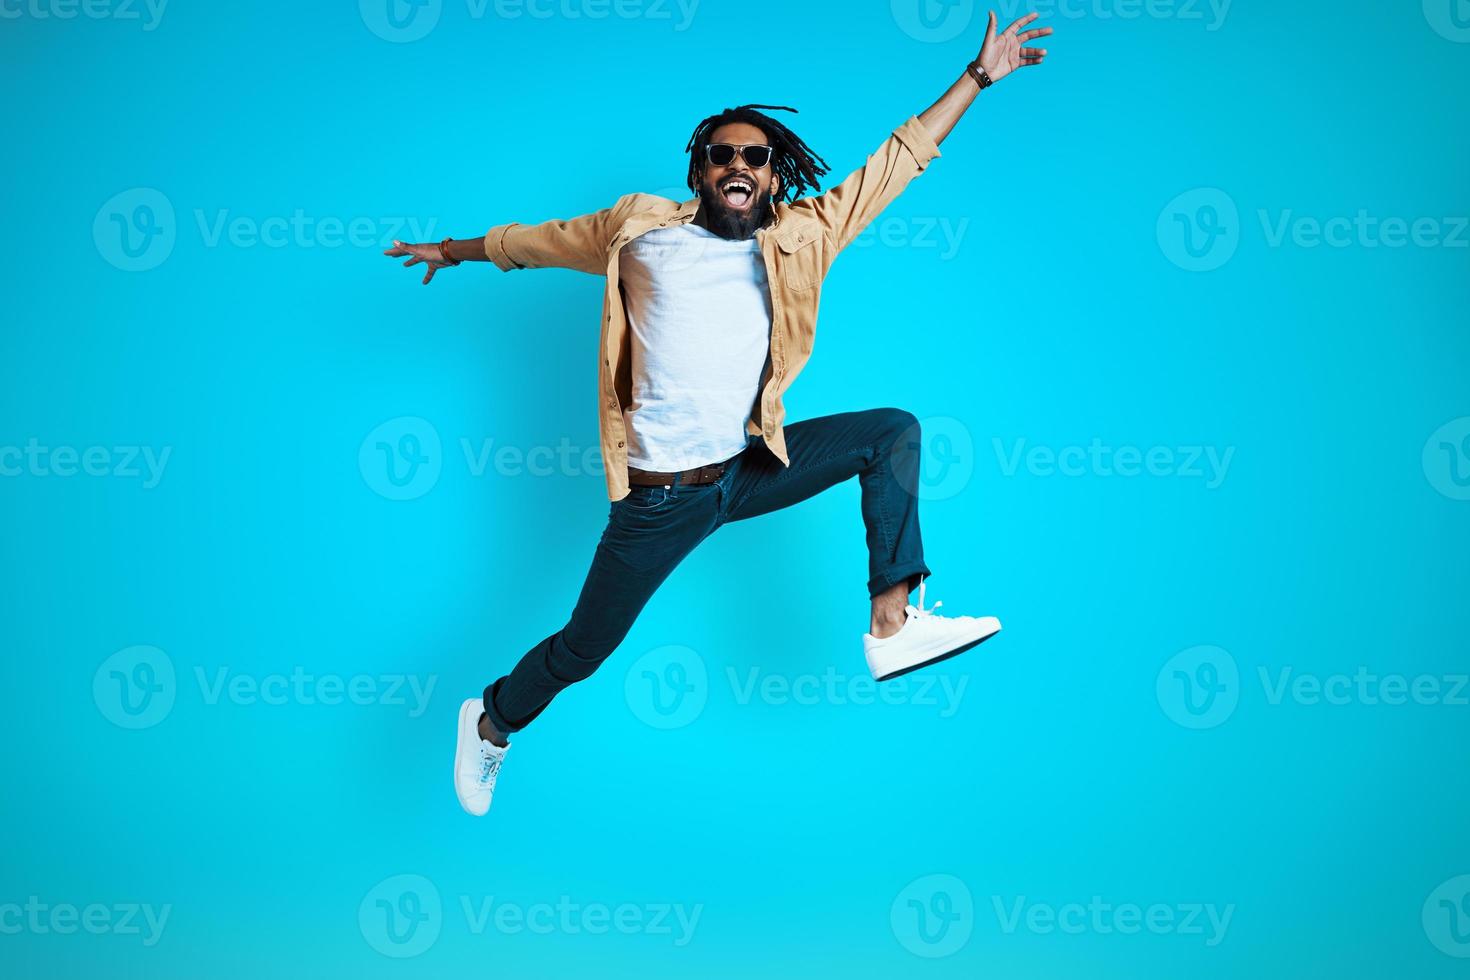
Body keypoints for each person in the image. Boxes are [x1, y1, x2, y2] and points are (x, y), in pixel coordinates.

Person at [384, 11, 1053, 816]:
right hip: (661, 499)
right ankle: (491, 718)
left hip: (749, 467)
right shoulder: (638, 230)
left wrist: (978, 77)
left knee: (892, 432)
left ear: (774, 175)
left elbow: (895, 163)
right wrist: (452, 251)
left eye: (755, 156)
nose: (739, 164)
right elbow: (538, 241)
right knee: (582, 650)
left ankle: (892, 622)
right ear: (701, 170)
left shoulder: (803, 236)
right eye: (723, 154)